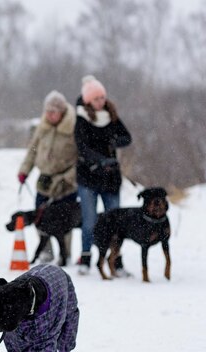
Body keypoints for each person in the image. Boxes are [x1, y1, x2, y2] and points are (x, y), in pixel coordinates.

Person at [74, 75, 132, 275]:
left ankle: (116, 261)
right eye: (97, 98)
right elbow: (81, 147)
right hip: (88, 177)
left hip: (110, 179)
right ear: (89, 100)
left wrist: (113, 141)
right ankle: (85, 258)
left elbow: (127, 138)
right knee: (89, 221)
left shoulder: (111, 116)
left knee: (115, 220)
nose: (101, 101)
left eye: (102, 97)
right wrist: (99, 160)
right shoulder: (82, 118)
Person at [17, 90, 78, 264]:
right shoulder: (42, 128)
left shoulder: (73, 128)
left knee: (64, 221)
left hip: (65, 183)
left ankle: (65, 254)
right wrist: (24, 170)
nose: (49, 115)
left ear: (62, 112)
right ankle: (47, 250)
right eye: (47, 111)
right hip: (44, 180)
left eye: (53, 112)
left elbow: (80, 160)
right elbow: (32, 150)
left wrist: (67, 178)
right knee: (40, 218)